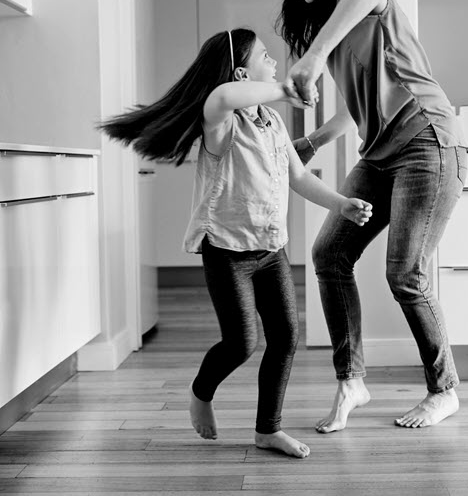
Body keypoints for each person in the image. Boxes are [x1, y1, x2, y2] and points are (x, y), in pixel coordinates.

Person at [99, 27, 373, 458]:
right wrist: (286, 88)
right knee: (242, 342)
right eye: (267, 57)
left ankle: (268, 430)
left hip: (270, 249)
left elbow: (298, 177)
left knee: (284, 337)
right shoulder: (222, 124)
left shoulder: (273, 122)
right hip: (227, 251)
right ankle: (201, 392)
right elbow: (222, 97)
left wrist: (341, 205)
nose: (276, 63)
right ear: (243, 74)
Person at [266, 0, 468, 433]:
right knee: (329, 253)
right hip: (380, 150)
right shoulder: (324, 19)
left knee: (406, 272)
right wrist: (312, 139)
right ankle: (351, 380)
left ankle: (444, 389)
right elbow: (356, 104)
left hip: (426, 138)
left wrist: (312, 58)